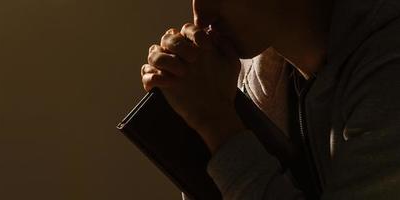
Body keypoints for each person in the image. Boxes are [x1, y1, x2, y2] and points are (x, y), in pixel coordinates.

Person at [140, 0, 400, 198]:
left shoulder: (388, 68)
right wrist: (194, 115)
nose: (201, 15)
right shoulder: (263, 75)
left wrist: (215, 123)